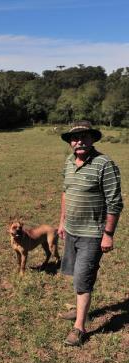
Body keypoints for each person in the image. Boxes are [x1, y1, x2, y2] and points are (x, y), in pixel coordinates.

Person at [57, 120, 123, 346]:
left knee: (83, 279)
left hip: (93, 234)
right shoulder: (68, 162)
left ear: (92, 139)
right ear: (70, 143)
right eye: (75, 138)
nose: (79, 141)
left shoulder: (105, 164)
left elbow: (115, 203)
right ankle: (79, 310)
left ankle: (79, 327)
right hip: (71, 230)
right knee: (76, 275)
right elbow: (66, 192)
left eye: (85, 136)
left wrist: (108, 233)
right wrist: (61, 222)